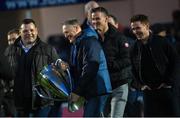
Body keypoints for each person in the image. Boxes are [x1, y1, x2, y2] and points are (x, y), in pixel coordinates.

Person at [5, 19, 59, 116]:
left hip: (42, 101)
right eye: (25, 31)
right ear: (20, 32)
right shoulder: (10, 52)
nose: (29, 33)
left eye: (31, 30)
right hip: (20, 103)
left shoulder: (48, 50)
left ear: (36, 30)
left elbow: (58, 74)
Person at [130, 14, 180, 116]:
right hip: (148, 93)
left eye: (138, 28)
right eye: (133, 29)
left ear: (147, 26)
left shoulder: (161, 42)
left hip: (167, 90)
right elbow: (132, 69)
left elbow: (175, 62)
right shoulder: (133, 47)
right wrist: (140, 85)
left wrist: (169, 82)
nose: (135, 31)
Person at [61, 19, 112, 117]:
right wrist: (68, 67)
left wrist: (77, 91)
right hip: (90, 91)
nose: (65, 36)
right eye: (64, 33)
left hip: (98, 91)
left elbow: (90, 68)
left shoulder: (89, 42)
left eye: (67, 32)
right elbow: (79, 68)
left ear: (76, 28)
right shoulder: (76, 45)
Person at [91, 7, 133, 117]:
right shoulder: (92, 39)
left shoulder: (119, 37)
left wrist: (109, 65)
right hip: (102, 87)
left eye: (97, 19)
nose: (95, 22)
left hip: (118, 85)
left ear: (106, 19)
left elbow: (127, 59)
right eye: (93, 19)